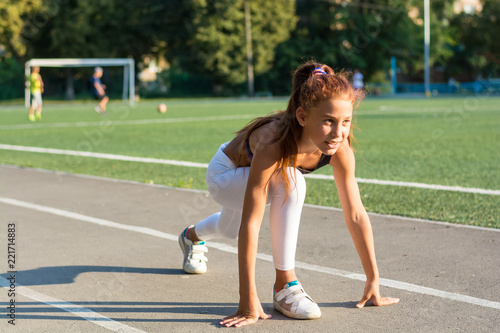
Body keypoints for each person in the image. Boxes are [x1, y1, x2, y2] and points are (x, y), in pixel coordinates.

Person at [178, 61, 400, 328]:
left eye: (346, 121)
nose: (338, 133)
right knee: (291, 178)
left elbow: (355, 213)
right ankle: (285, 286)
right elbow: (253, 221)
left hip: (251, 179)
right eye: (328, 121)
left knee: (228, 229)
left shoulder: (340, 148)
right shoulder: (275, 142)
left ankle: (192, 236)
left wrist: (372, 278)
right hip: (224, 176)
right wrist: (247, 299)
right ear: (303, 116)